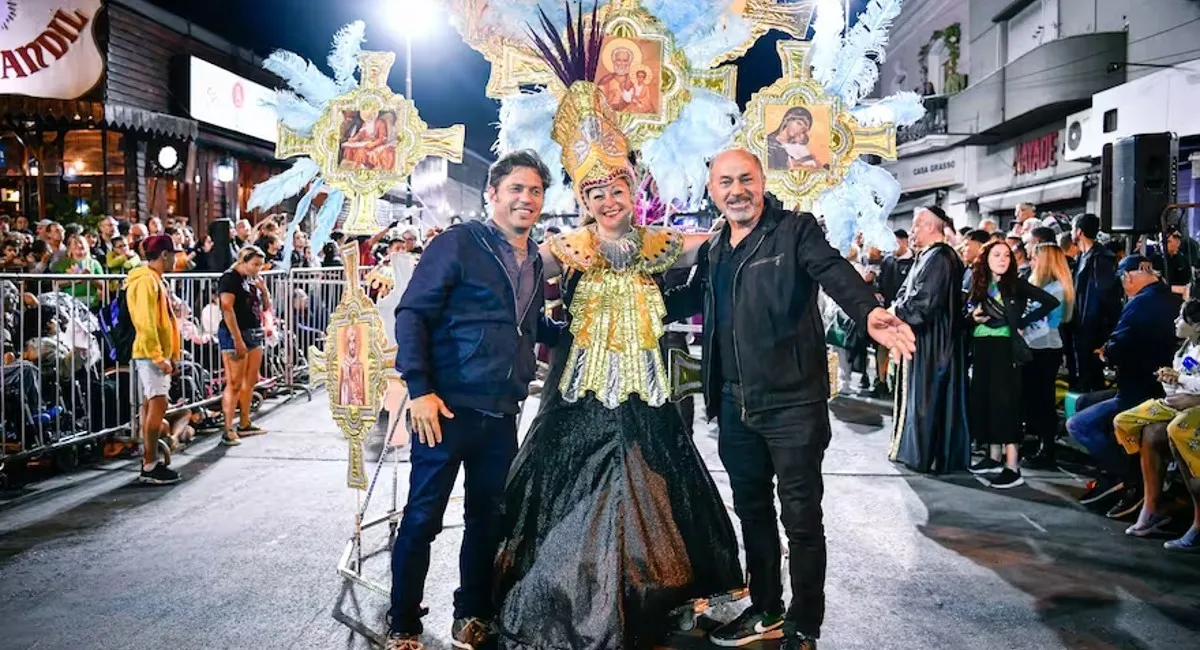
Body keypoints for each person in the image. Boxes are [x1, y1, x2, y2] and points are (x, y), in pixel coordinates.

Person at [492, 81, 742, 649]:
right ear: (583, 199)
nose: (608, 201)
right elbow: (512, 264)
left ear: (633, 191)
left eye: (617, 189)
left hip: (646, 395)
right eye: (596, 192)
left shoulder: (660, 244)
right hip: (579, 391)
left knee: (659, 479)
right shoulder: (564, 249)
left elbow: (717, 242)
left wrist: (755, 204)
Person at [668, 149, 914, 650]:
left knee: (801, 520)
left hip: (793, 404)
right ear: (712, 191)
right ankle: (765, 607)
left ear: (762, 182)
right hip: (735, 406)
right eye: (725, 182)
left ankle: (805, 623)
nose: (736, 190)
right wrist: (619, 289)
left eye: (745, 179)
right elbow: (689, 301)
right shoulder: (716, 246)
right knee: (752, 512)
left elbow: (833, 271)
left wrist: (868, 313)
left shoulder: (795, 230)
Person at [388, 151, 554, 650]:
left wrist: (583, 327)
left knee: (487, 519)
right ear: (493, 194)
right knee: (423, 517)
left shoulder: (536, 259)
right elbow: (412, 313)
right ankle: (404, 621)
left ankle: (472, 613)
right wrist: (419, 389)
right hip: (445, 409)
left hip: (501, 412)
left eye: (535, 191)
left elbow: (530, 326)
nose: (526, 199)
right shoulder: (459, 244)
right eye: (516, 189)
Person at [1067, 255, 1177, 517]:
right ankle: (1111, 471)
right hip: (1145, 384)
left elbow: (1120, 343)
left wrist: (1107, 353)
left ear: (1129, 276)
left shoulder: (1141, 303)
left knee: (1078, 424)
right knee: (1083, 402)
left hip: (1141, 389)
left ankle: (1130, 478)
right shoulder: (1167, 298)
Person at [965, 241, 1058, 488]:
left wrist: (1021, 321)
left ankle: (1012, 466)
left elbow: (1050, 302)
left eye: (1006, 255)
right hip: (981, 349)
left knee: (1005, 405)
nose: (1003, 259)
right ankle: (993, 457)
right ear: (986, 259)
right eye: (996, 255)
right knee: (986, 402)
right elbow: (967, 314)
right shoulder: (978, 284)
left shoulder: (1015, 284)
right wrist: (973, 318)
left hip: (1005, 350)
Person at [889, 206, 970, 475]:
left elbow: (923, 302)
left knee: (928, 398)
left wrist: (897, 311)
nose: (911, 232)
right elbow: (904, 293)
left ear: (930, 227)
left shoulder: (940, 258)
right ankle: (914, 451)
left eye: (916, 225)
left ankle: (927, 455)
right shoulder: (927, 257)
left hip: (935, 343)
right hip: (925, 339)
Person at [1112, 299, 1200, 538]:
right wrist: (1169, 381)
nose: (1175, 321)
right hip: (1179, 404)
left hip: (1191, 412)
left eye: (1181, 318)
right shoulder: (1183, 350)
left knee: (1176, 429)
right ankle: (1151, 505)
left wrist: (1182, 385)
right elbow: (1176, 391)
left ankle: (1192, 517)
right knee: (1135, 424)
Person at [125, 235, 182, 485]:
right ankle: (150, 464)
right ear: (164, 255)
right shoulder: (146, 281)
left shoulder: (152, 279)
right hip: (150, 353)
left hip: (153, 352)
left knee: (153, 404)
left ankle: (150, 461)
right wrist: (159, 357)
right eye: (173, 254)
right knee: (157, 404)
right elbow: (145, 323)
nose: (176, 259)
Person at [1022, 243, 1075, 470]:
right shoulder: (1055, 286)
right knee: (1037, 398)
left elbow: (1035, 317)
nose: (1032, 261)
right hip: (1041, 347)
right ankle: (1041, 445)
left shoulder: (1056, 289)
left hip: (1045, 348)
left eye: (1035, 257)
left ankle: (1046, 449)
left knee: (1043, 400)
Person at [217, 246, 271, 446]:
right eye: (254, 264)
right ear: (243, 261)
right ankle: (228, 427)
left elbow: (265, 307)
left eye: (260, 265)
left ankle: (245, 422)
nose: (258, 269)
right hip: (235, 333)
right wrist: (237, 339)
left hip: (254, 331)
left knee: (250, 381)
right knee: (234, 383)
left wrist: (264, 290)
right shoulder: (230, 278)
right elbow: (227, 308)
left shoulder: (253, 280)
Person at [1072, 213, 1120, 392]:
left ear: (1079, 232)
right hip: (1081, 325)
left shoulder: (1101, 258)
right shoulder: (1083, 257)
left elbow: (1103, 296)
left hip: (1093, 328)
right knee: (1084, 372)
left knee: (1092, 374)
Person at [338, 326, 366, 406]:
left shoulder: (360, 364)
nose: (352, 345)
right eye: (349, 342)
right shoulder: (344, 363)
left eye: (354, 341)